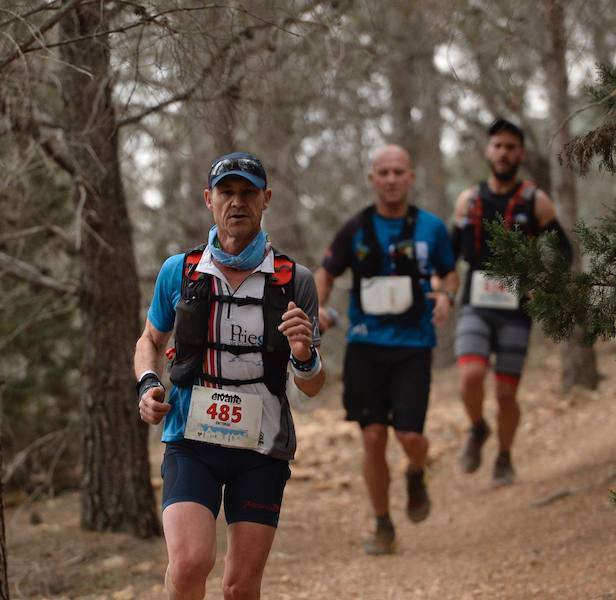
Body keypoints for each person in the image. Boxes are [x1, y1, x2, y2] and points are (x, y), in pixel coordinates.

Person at [134, 151, 325, 600]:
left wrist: (303, 354)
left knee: (240, 587)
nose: (236, 203)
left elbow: (313, 386)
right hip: (190, 439)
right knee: (187, 564)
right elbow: (149, 341)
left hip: (261, 447)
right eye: (226, 192)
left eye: (248, 193)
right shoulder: (179, 271)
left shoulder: (294, 281)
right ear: (208, 199)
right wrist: (148, 383)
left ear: (266, 199)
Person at [314, 144, 458, 555]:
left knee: (410, 435)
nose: (392, 179)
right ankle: (383, 524)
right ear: (372, 179)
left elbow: (450, 274)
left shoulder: (431, 227)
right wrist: (319, 307)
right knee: (373, 437)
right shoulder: (356, 228)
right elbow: (327, 271)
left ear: (411, 177)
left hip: (414, 345)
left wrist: (447, 295)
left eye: (399, 171)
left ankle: (416, 471)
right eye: (384, 172)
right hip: (365, 344)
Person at [451, 118, 571, 487]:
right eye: (498, 146)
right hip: (475, 302)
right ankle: (477, 428)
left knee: (506, 393)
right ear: (488, 151)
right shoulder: (469, 199)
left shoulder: (535, 200)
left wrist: (543, 284)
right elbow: (448, 254)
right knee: (470, 376)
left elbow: (562, 250)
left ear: (520, 153)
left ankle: (504, 458)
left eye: (511, 147)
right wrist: (444, 289)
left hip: (516, 308)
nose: (503, 153)